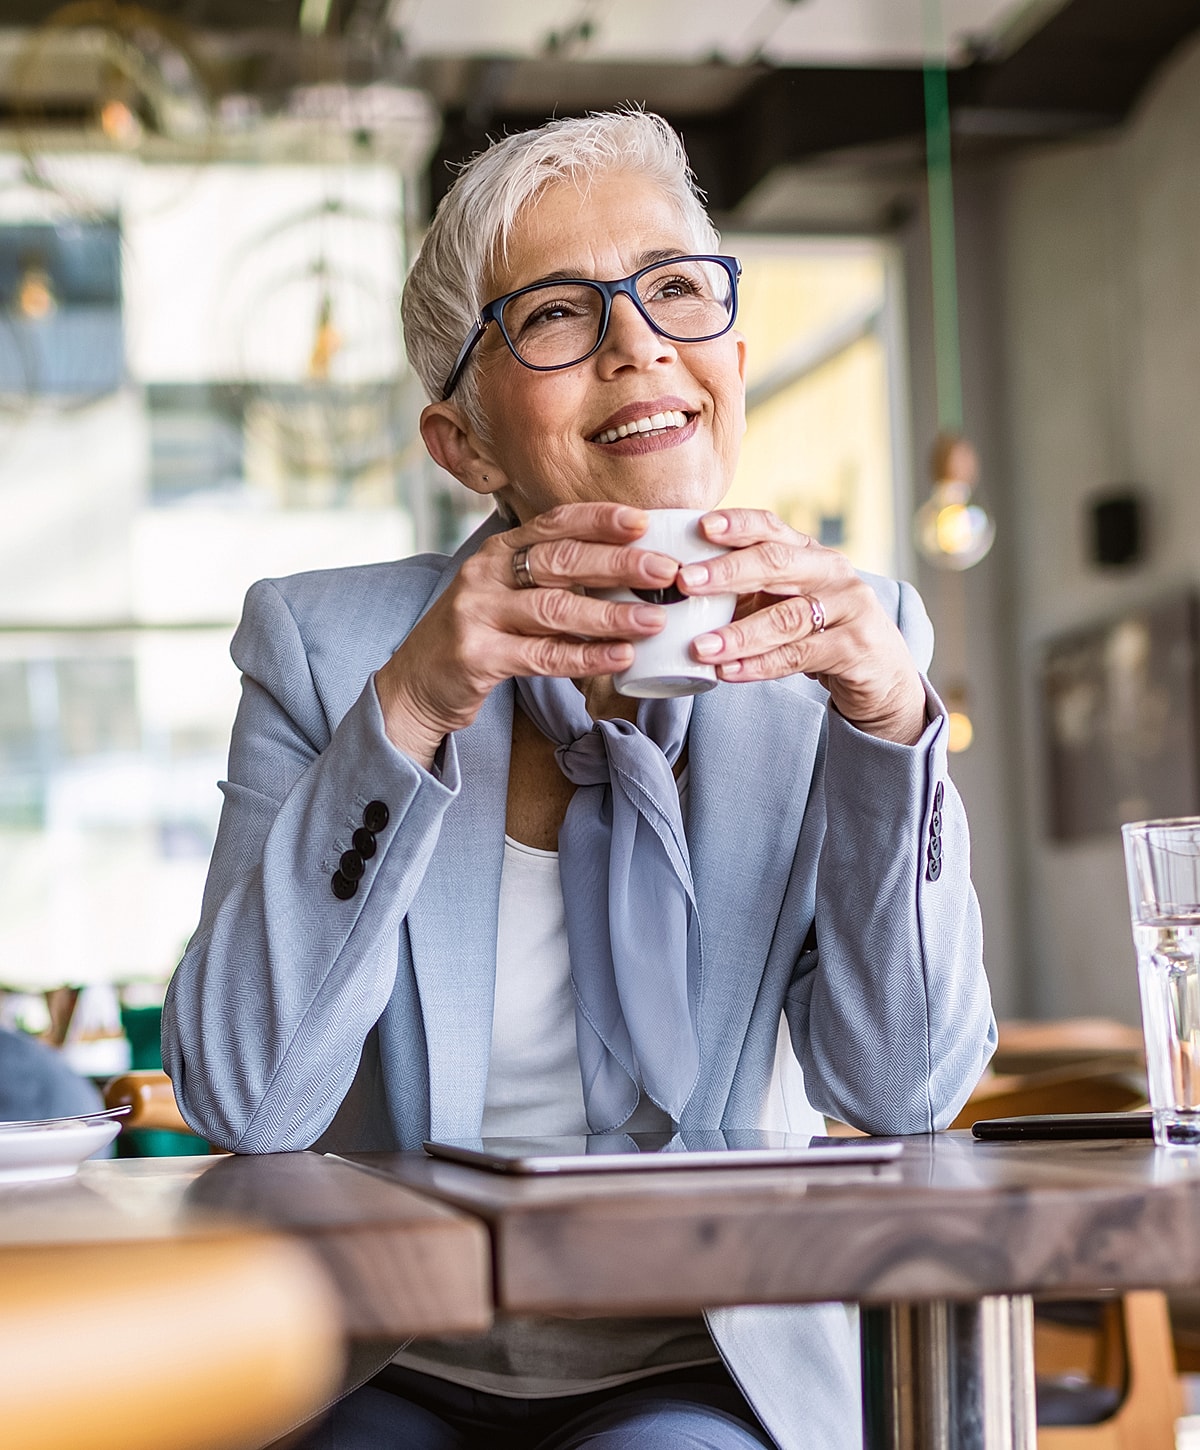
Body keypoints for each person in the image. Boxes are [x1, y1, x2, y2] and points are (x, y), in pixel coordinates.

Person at [162, 109, 995, 1450]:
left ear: (729, 351)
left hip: (701, 1352)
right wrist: (413, 706)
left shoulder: (851, 633)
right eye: (556, 314)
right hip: (392, 1352)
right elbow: (247, 1098)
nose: (639, 344)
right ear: (466, 445)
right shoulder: (327, 650)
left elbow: (905, 1088)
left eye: (676, 288)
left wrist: (890, 729)